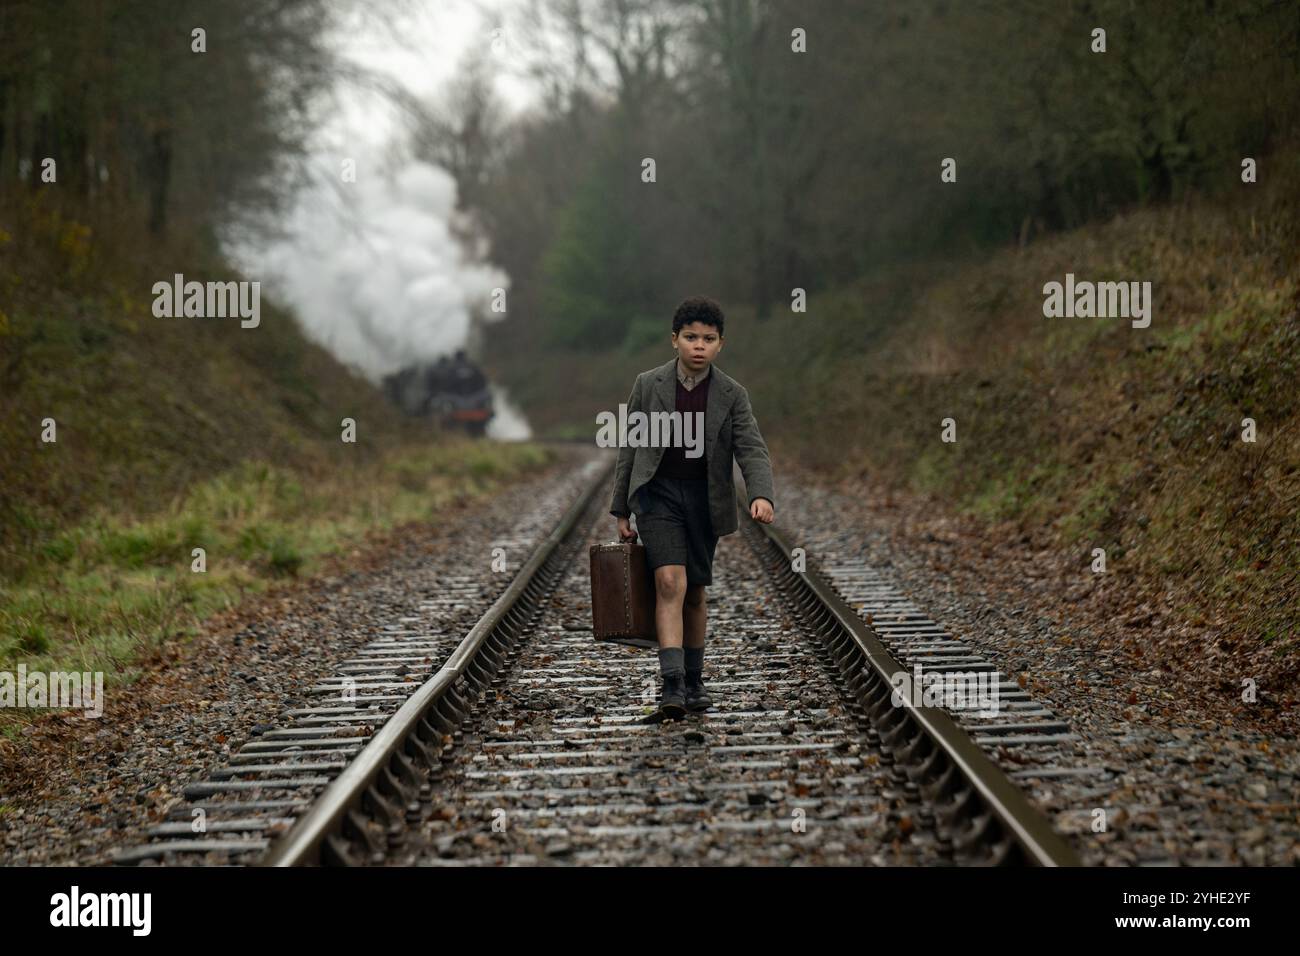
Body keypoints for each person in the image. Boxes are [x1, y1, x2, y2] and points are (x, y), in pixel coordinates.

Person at [609, 296, 776, 719]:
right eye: (690, 337)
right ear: (674, 340)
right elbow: (630, 447)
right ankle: (671, 685)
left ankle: (695, 678)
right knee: (669, 582)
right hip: (658, 496)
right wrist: (621, 509)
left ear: (720, 344)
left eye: (708, 339)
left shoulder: (732, 395)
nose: (698, 346)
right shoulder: (648, 385)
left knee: (695, 592)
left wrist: (761, 493)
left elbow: (751, 449)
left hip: (705, 499)